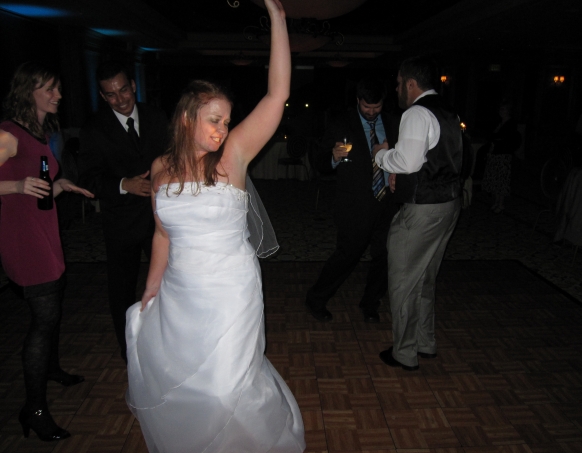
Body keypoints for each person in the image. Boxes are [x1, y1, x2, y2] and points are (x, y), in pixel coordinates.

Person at [124, 0, 305, 451]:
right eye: (214, 120)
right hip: (181, 292)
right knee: (190, 385)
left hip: (231, 290)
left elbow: (277, 94)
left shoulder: (233, 156)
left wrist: (277, 18)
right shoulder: (160, 167)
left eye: (226, 121)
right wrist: (151, 289)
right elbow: (162, 234)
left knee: (226, 386)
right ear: (188, 118)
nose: (223, 129)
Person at [0, 61, 94, 441]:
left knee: (53, 304)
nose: (59, 95)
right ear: (29, 92)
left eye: (58, 88)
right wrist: (16, 186)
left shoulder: (40, 131)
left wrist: (59, 186)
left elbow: (38, 187)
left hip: (43, 230)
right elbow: (19, 185)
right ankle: (34, 410)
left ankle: (51, 368)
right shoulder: (8, 133)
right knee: (44, 317)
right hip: (23, 239)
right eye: (50, 89)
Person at [372, 56, 463, 371]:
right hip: (449, 204)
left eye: (399, 83)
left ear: (411, 84)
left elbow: (408, 162)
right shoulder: (449, 111)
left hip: (423, 210)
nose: (397, 88)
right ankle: (425, 343)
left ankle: (405, 353)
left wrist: (381, 156)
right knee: (425, 278)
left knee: (403, 281)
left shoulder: (416, 112)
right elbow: (440, 159)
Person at [78, 61, 169, 361]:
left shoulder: (156, 117)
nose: (120, 99)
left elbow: (173, 158)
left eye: (124, 90)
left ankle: (168, 343)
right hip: (121, 222)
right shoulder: (93, 129)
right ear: (103, 96)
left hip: (160, 218)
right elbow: (88, 179)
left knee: (169, 282)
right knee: (122, 291)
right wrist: (122, 184)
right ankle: (129, 349)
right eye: (111, 95)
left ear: (133, 85)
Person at [305, 78, 399, 323]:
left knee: (385, 255)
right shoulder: (341, 123)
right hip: (354, 204)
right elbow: (319, 161)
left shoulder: (393, 123)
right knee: (348, 255)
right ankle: (316, 298)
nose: (372, 112)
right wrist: (333, 157)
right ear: (358, 101)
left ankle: (371, 303)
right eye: (367, 107)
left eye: (376, 107)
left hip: (386, 201)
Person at [481, 101, 522, 213]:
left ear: (508, 111)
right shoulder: (500, 123)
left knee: (502, 180)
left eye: (503, 109)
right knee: (496, 179)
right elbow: (492, 136)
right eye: (500, 109)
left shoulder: (511, 124)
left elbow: (502, 138)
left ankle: (501, 203)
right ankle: (496, 202)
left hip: (503, 155)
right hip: (496, 154)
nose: (501, 111)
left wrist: (495, 139)